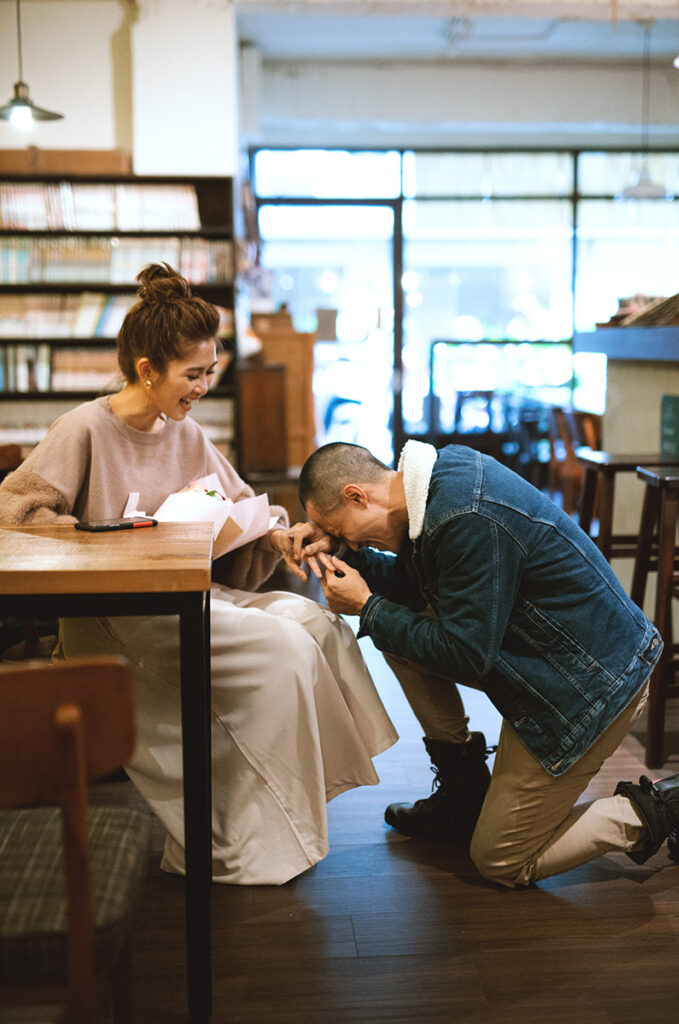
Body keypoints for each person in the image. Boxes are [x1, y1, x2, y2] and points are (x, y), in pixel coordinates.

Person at [0, 264, 397, 886]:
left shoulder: (182, 431)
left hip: (185, 596)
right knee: (284, 645)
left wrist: (276, 533)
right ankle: (240, 842)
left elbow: (241, 505)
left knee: (314, 622)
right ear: (147, 370)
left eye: (210, 372)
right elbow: (15, 516)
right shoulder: (83, 428)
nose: (204, 387)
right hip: (117, 618)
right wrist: (104, 542)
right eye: (193, 375)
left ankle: (282, 812)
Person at [275, 438, 679, 888]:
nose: (348, 540)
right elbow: (416, 588)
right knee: (395, 633)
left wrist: (368, 607)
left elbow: (467, 655)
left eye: (342, 529)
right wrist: (344, 553)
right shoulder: (431, 485)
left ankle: (660, 807)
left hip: (591, 689)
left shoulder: (464, 515)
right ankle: (463, 795)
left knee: (501, 861)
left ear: (357, 495)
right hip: (557, 668)